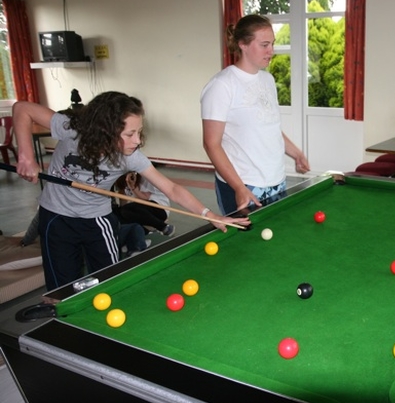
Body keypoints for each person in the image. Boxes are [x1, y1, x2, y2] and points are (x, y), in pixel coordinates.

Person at [13, 91, 250, 290]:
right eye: (129, 134)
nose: (137, 140)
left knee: (109, 282)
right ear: (105, 130)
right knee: (60, 287)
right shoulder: (72, 129)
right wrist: (26, 156)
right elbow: (22, 108)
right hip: (56, 218)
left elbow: (173, 189)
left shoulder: (130, 158)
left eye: (139, 132)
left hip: (97, 221)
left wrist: (210, 215)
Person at [201, 14, 310, 215]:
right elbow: (211, 143)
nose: (271, 51)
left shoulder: (267, 80)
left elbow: (270, 126)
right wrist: (239, 187)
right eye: (264, 45)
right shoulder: (221, 86)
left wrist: (296, 153)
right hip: (244, 185)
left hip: (276, 179)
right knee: (243, 245)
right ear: (242, 44)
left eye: (272, 44)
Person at [113, 171, 174, 236]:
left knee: (127, 209)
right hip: (140, 208)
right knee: (116, 213)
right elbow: (123, 196)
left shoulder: (145, 176)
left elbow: (145, 199)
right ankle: (145, 232)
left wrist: (133, 187)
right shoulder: (121, 178)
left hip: (159, 208)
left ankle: (164, 227)